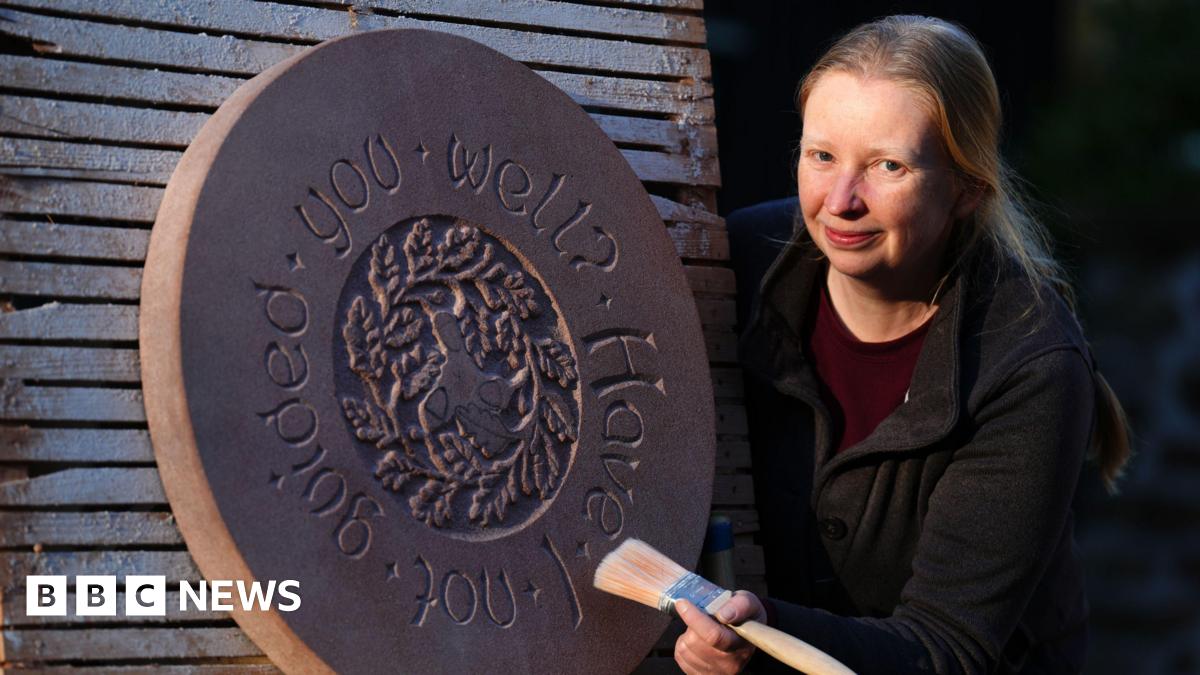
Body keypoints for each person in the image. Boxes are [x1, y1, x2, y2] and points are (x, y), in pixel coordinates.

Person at [673, 15, 1132, 675]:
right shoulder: (734, 265)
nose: (840, 200)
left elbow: (947, 647)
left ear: (966, 189)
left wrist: (765, 632)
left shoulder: (1030, 366)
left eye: (887, 165)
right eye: (821, 155)